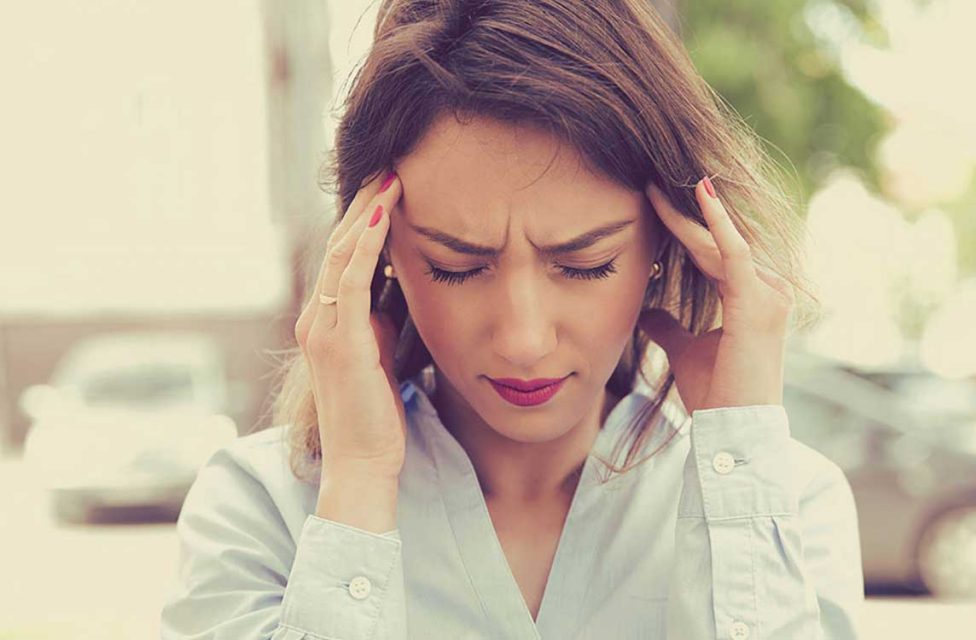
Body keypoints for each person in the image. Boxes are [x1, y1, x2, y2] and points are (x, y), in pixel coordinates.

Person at [160, 0, 864, 638]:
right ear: (378, 252)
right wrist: (359, 488)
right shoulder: (260, 509)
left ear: (670, 242)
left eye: (584, 264)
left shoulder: (787, 506)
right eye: (456, 266)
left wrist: (737, 467)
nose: (525, 340)